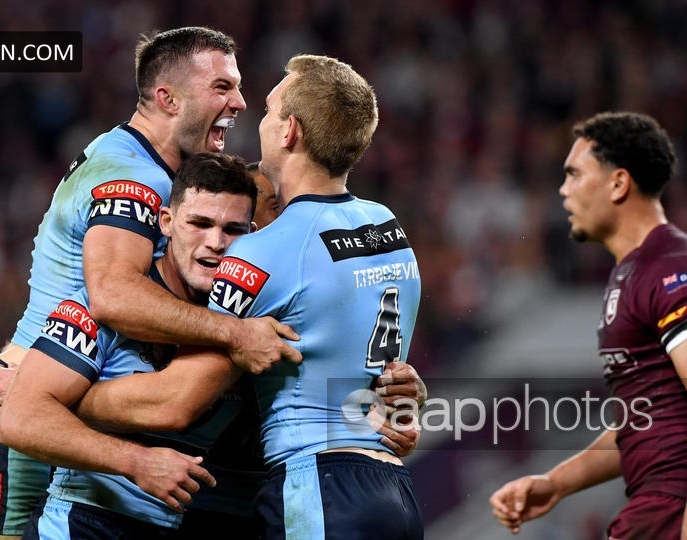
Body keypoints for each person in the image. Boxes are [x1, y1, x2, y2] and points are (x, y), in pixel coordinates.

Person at [0, 26, 300, 540]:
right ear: (168, 98)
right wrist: (234, 333)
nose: (240, 102)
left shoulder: (126, 151)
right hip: (23, 392)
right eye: (222, 87)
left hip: (49, 380)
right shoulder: (138, 179)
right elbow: (113, 295)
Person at [75, 54, 426, 539]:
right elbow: (378, 367)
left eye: (268, 110)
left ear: (289, 132)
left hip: (319, 488)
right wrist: (408, 400)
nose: (255, 119)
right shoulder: (387, 226)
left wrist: (71, 400)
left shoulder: (263, 252)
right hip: (395, 490)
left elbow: (177, 401)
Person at [0, 152, 261, 538]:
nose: (216, 243)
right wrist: (136, 461)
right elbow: (19, 419)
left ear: (253, 233)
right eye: (200, 223)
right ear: (167, 222)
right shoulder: (103, 307)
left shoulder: (251, 319)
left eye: (232, 229)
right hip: (82, 522)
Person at [489, 111, 687, 539]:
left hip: (670, 511)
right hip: (652, 511)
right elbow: (643, 421)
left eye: (575, 174)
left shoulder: (671, 269)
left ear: (618, 184)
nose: (563, 190)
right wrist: (557, 484)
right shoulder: (634, 272)